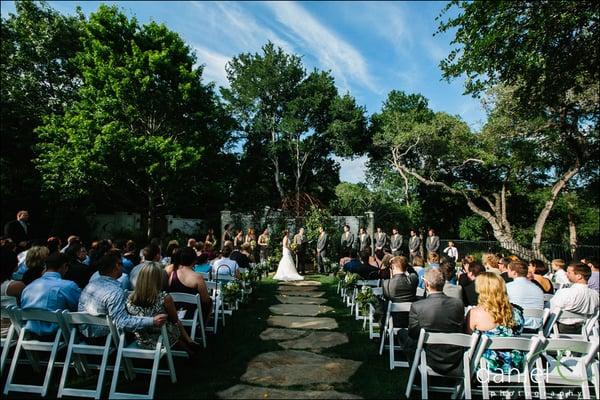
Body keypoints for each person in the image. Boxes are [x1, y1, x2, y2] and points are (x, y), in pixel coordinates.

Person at [78, 253, 167, 340]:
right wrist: (152, 321)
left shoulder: (89, 286)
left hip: (83, 334)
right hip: (104, 339)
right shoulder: (115, 292)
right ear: (117, 266)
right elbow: (122, 322)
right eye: (122, 264)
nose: (123, 267)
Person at [126, 262, 201, 356]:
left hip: (141, 339)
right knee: (174, 323)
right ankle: (189, 344)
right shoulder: (164, 298)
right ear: (157, 279)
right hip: (161, 338)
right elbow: (174, 320)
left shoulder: (130, 298)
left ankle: (189, 344)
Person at [404, 268, 465, 375]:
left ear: (426, 284)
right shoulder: (458, 304)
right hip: (454, 356)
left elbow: (413, 334)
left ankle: (416, 375)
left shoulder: (417, 306)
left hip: (429, 356)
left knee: (404, 336)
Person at [465, 273, 524, 375]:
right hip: (516, 365)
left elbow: (469, 341)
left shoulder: (475, 313)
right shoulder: (517, 312)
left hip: (488, 366)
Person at [20, 252, 81, 337]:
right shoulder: (68, 286)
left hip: (31, 334)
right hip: (59, 335)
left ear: (46, 267)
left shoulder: (28, 287)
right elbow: (79, 308)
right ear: (65, 266)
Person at [164, 247, 213, 322]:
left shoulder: (173, 274)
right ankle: (202, 327)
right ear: (194, 260)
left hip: (174, 312)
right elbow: (205, 299)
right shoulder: (197, 277)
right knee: (209, 302)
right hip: (192, 313)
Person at [550, 262, 599, 334]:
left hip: (560, 329)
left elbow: (551, 310)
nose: (565, 274)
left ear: (579, 276)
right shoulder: (595, 295)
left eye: (569, 273)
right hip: (583, 329)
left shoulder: (565, 292)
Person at [380, 256, 418, 330]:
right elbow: (413, 272)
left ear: (392, 267)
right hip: (410, 319)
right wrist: (405, 264)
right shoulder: (413, 279)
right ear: (406, 267)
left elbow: (387, 298)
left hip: (393, 319)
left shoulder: (386, 283)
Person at [506, 260, 544, 332]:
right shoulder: (537, 288)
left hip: (514, 325)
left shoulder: (508, 287)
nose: (507, 271)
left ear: (514, 273)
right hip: (535, 326)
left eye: (508, 270)